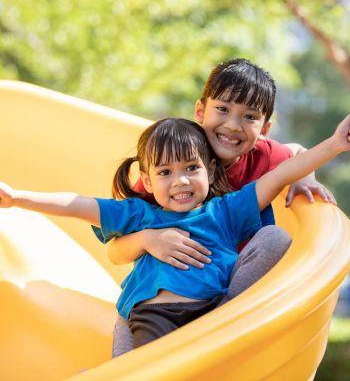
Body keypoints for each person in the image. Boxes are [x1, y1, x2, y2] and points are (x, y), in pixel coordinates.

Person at [1, 115, 349, 350]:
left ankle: (230, 322)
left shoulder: (225, 210)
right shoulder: (138, 214)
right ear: (148, 181)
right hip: (155, 318)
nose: (180, 181)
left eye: (191, 168)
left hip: (216, 311)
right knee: (149, 368)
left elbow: (282, 173)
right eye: (165, 172)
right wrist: (17, 198)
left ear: (210, 172)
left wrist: (334, 144)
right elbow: (77, 204)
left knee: (276, 239)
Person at [107, 58, 335, 356]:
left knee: (274, 239)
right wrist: (147, 239)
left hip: (227, 289)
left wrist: (304, 178)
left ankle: (218, 322)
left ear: (264, 129)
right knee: (129, 325)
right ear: (201, 111)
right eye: (223, 109)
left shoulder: (264, 156)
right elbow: (115, 251)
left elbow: (298, 152)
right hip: (169, 293)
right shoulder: (169, 163)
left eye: (249, 116)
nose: (232, 125)